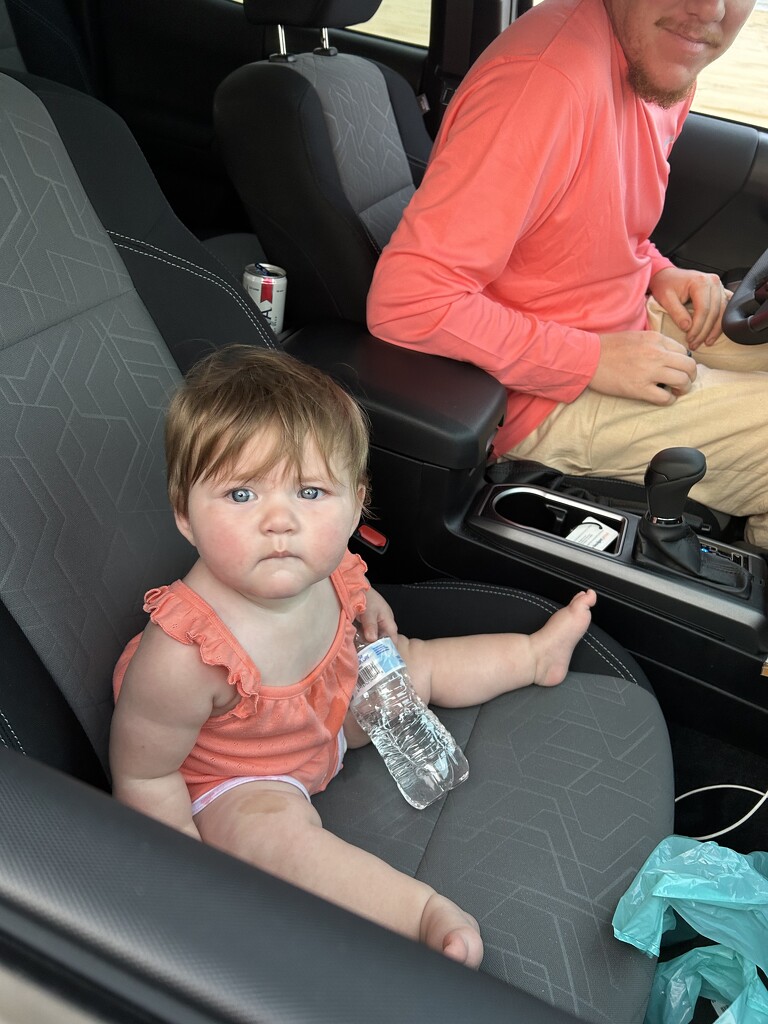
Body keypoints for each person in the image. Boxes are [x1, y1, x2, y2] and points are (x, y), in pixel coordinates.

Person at [110, 345, 596, 968]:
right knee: (276, 839)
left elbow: (346, 575)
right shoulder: (185, 653)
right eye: (240, 496)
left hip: (329, 707)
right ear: (184, 514)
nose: (279, 522)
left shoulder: (326, 560)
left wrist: (360, 595)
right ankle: (417, 914)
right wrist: (186, 873)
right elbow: (146, 777)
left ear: (356, 501)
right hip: (245, 775)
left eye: (311, 492)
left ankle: (533, 656)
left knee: (412, 661)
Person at [367, 0, 768, 547]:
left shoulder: (663, 59)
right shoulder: (543, 84)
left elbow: (595, 222)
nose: (708, 7)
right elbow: (409, 302)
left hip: (623, 324)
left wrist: (659, 271)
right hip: (536, 396)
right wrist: (592, 358)